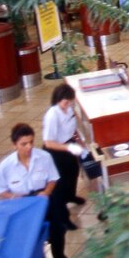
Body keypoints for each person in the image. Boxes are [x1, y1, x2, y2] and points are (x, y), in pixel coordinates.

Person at [0, 123, 74, 258]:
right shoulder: (5, 167)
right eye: (23, 144)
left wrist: (46, 192)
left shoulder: (44, 157)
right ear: (14, 145)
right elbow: (1, 190)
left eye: (31, 142)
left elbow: (53, 179)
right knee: (32, 236)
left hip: (44, 198)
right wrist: (13, 197)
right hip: (23, 204)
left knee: (57, 229)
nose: (29, 147)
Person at [41, 84, 86, 220]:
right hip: (55, 151)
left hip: (68, 144)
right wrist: (68, 148)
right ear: (58, 99)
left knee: (73, 172)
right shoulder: (52, 115)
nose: (68, 105)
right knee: (60, 183)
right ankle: (63, 217)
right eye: (66, 102)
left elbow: (73, 128)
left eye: (70, 102)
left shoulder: (69, 109)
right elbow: (49, 142)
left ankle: (70, 196)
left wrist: (79, 141)